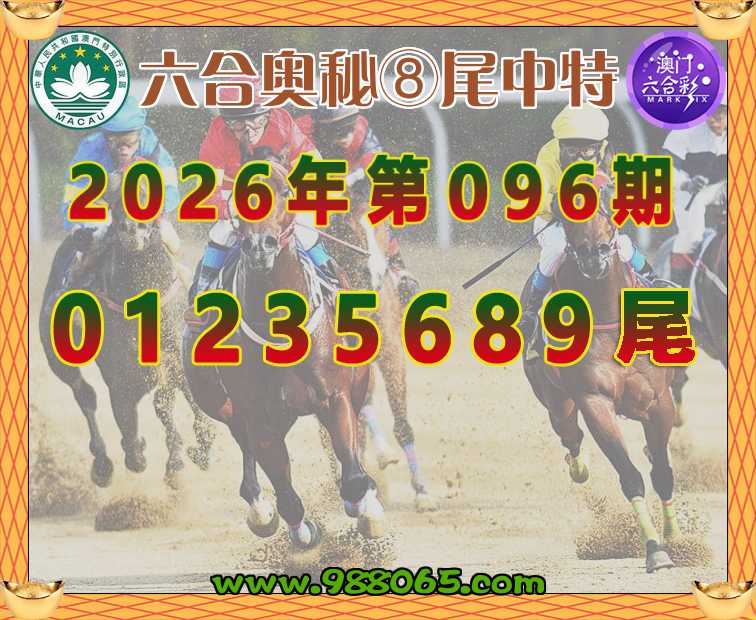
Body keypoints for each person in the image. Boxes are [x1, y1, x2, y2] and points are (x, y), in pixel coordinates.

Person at [519, 105, 660, 348]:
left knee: (621, 244)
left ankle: (653, 281)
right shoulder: (548, 154)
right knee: (556, 248)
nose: (579, 156)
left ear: (599, 146)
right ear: (560, 144)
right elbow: (536, 194)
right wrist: (557, 204)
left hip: (594, 217)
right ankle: (532, 309)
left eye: (586, 150)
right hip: (554, 218)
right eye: (571, 150)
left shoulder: (608, 154)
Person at [193, 90, 338, 295]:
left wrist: (296, 196)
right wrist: (228, 209)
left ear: (268, 114)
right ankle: (202, 289)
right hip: (235, 191)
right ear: (225, 122)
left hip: (278, 188)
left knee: (306, 229)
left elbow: (314, 164)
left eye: (256, 120)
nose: (248, 130)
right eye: (238, 123)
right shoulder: (217, 134)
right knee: (221, 232)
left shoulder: (282, 121)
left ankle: (331, 281)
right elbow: (206, 193)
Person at [303, 105, 420, 305]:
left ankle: (396, 266)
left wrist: (346, 182)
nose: (347, 135)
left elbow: (376, 167)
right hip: (315, 181)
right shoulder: (303, 130)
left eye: (349, 127)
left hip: (352, 177)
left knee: (379, 204)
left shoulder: (361, 131)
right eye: (338, 130)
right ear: (322, 129)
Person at [60, 95, 181, 286]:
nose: (123, 149)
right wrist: (76, 226)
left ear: (140, 134)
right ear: (105, 136)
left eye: (129, 140)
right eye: (115, 141)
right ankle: (72, 285)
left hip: (144, 209)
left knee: (173, 244)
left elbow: (170, 189)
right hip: (102, 209)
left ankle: (189, 287)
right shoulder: (90, 149)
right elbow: (73, 197)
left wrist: (156, 211)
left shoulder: (151, 145)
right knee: (88, 249)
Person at [663, 98, 727, 287]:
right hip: (690, 189)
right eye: (708, 113)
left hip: (721, 186)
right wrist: (686, 183)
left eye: (719, 114)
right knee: (692, 236)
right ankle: (678, 287)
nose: (712, 120)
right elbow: (664, 167)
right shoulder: (684, 130)